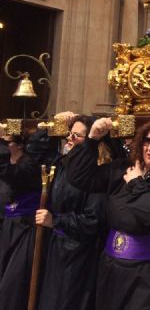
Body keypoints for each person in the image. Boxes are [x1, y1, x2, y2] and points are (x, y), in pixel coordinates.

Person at [66, 118, 150, 309]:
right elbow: (80, 177)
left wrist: (137, 183)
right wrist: (93, 140)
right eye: (146, 140)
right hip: (113, 268)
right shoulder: (124, 169)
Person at [37, 113, 113, 310]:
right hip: (56, 246)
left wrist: (56, 220)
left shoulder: (98, 172)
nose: (69, 139)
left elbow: (93, 221)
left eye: (77, 136)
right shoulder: (62, 164)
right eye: (69, 134)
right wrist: (53, 125)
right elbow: (35, 152)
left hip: (79, 252)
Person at [0, 129, 44, 309]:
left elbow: (13, 176)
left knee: (13, 282)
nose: (4, 146)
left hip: (24, 227)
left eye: (7, 142)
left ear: (19, 145)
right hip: (7, 225)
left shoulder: (28, 165)